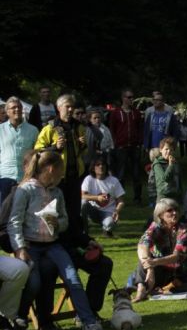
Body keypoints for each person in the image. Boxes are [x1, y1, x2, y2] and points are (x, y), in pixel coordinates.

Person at [8, 151, 103, 330]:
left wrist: (56, 222)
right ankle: (19, 319)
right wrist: (20, 249)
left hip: (53, 246)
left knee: (73, 279)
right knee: (33, 283)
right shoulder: (25, 190)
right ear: (51, 169)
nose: (62, 176)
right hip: (30, 246)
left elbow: (65, 220)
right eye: (61, 172)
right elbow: (14, 222)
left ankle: (89, 323)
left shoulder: (57, 192)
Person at [34, 94, 87, 225]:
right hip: (57, 178)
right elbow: (38, 151)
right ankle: (56, 235)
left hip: (75, 176)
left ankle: (74, 235)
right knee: (56, 210)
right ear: (59, 108)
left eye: (72, 107)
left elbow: (83, 153)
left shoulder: (79, 127)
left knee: (74, 210)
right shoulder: (50, 128)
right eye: (67, 106)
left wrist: (82, 145)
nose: (70, 109)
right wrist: (54, 147)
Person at [108, 89, 144, 204]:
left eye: (132, 97)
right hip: (121, 147)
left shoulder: (136, 113)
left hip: (134, 147)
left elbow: (140, 128)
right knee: (121, 174)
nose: (131, 99)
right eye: (129, 97)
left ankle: (137, 198)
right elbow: (112, 129)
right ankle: (120, 199)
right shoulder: (116, 113)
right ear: (123, 98)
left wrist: (139, 143)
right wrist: (115, 143)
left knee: (136, 174)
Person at [0, 96, 39, 199]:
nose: (17, 109)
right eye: (13, 107)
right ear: (7, 112)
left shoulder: (33, 130)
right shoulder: (0, 130)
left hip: (25, 178)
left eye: (19, 107)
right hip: (4, 177)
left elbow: (36, 154)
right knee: (3, 208)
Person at [81, 157, 125, 237]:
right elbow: (82, 195)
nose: (101, 166)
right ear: (93, 168)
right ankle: (84, 229)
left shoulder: (114, 180)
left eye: (103, 164)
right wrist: (97, 198)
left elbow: (121, 201)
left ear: (106, 167)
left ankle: (106, 229)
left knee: (110, 223)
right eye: (98, 165)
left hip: (108, 212)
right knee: (83, 203)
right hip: (93, 210)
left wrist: (117, 211)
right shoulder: (88, 179)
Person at [152, 137, 181, 202]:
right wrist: (170, 165)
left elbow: (178, 178)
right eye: (166, 149)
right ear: (161, 150)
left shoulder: (175, 163)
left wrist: (180, 193)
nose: (169, 152)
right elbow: (165, 178)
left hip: (174, 195)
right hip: (163, 196)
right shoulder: (157, 164)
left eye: (171, 150)